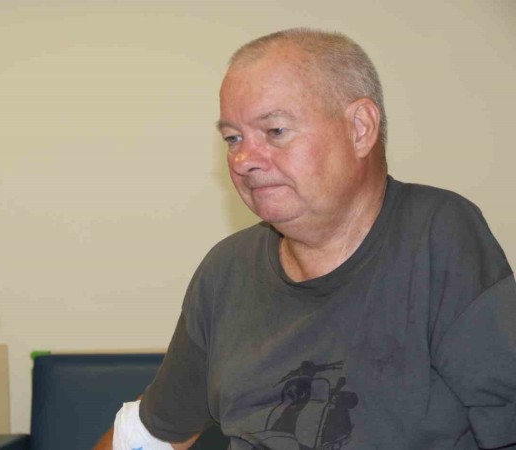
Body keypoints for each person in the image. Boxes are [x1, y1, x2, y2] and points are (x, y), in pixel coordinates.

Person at [101, 28, 516, 449]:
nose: (243, 160)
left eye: (275, 131)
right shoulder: (226, 270)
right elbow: (150, 435)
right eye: (233, 138)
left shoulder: (437, 237)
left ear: (360, 128)